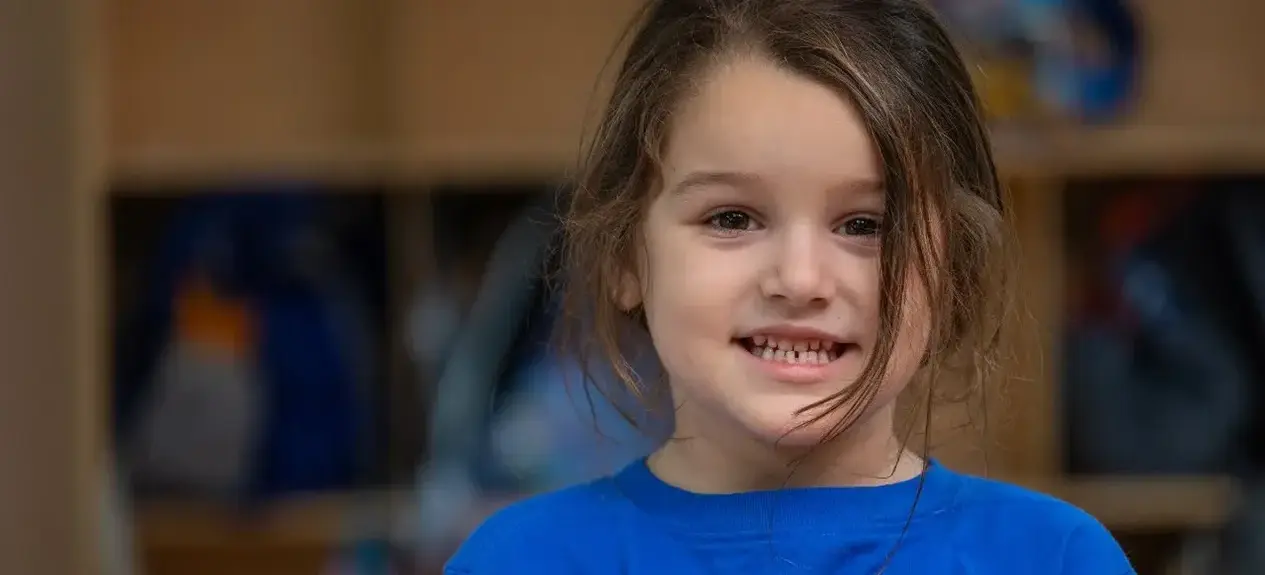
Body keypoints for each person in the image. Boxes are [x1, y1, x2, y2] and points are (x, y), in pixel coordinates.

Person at [444, 0, 1135, 573]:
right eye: (732, 217)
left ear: (950, 269)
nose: (800, 279)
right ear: (627, 253)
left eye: (864, 224)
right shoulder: (520, 559)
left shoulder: (1053, 557)